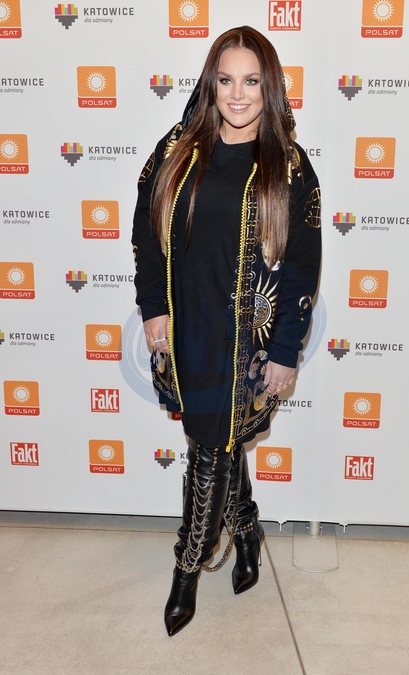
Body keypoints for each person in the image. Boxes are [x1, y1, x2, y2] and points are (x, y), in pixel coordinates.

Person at [132, 25, 321, 637]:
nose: (238, 95)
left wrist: (286, 351)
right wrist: (153, 310)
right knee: (216, 437)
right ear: (210, 84)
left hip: (250, 344)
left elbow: (302, 268)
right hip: (186, 327)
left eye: (251, 81)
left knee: (210, 450)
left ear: (270, 88)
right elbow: (146, 233)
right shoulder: (177, 149)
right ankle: (248, 532)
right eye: (226, 80)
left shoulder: (290, 167)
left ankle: (187, 569)